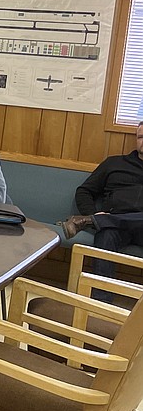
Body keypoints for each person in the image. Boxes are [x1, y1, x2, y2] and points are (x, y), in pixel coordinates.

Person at [59, 122, 143, 297]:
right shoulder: (114, 163)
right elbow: (84, 191)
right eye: (141, 137)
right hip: (117, 225)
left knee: (105, 224)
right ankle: (99, 304)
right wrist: (93, 212)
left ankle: (89, 222)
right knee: (106, 234)